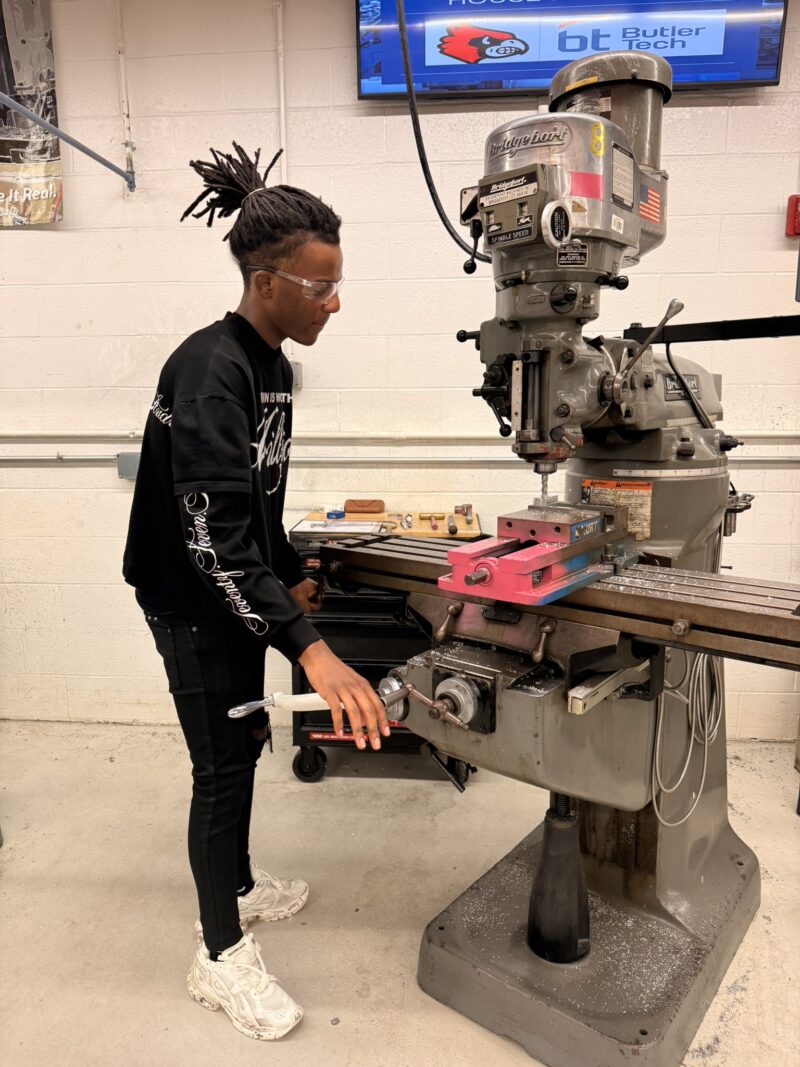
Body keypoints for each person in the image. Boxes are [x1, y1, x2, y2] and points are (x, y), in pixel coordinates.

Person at [122, 143, 390, 1042]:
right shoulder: (211, 369)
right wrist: (308, 644)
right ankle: (219, 953)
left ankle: (236, 883)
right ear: (269, 282)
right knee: (222, 765)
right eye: (321, 288)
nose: (335, 302)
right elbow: (209, 538)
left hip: (231, 592)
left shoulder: (271, 366)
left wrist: (295, 571)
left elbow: (255, 498)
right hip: (186, 599)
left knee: (245, 738)